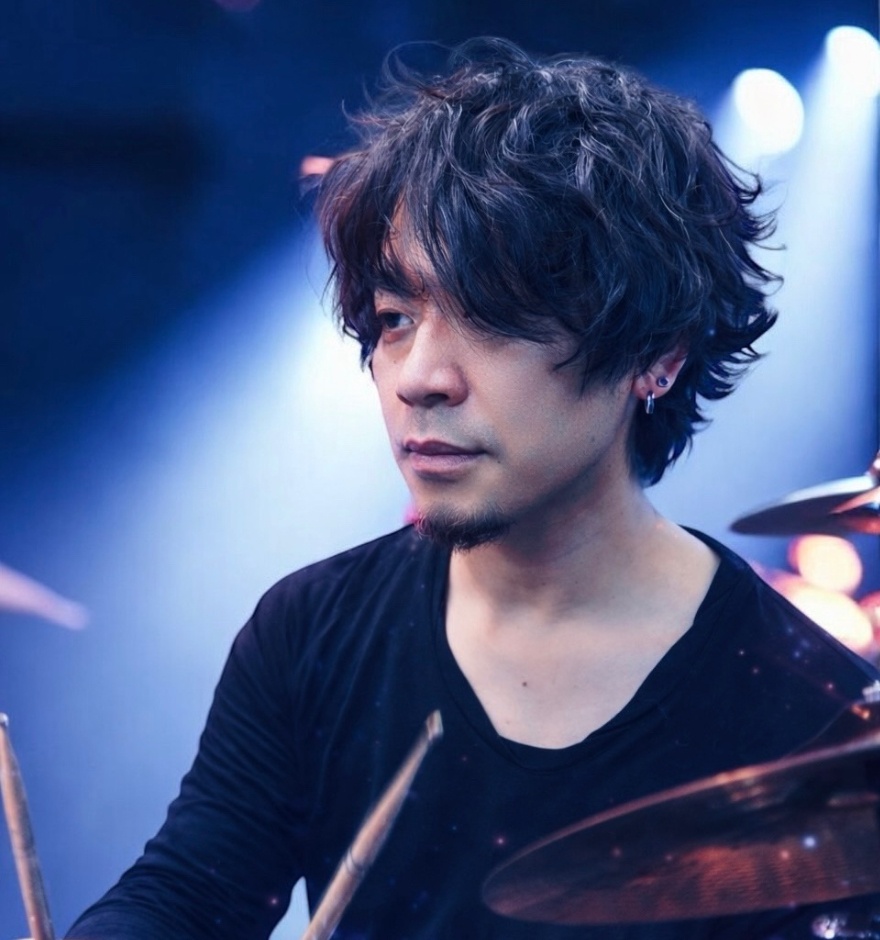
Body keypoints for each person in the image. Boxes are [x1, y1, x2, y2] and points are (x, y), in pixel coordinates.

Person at [67, 38, 880, 939]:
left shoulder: (810, 713)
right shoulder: (313, 630)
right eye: (395, 319)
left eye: (491, 317)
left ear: (657, 354)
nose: (419, 377)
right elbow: (186, 895)